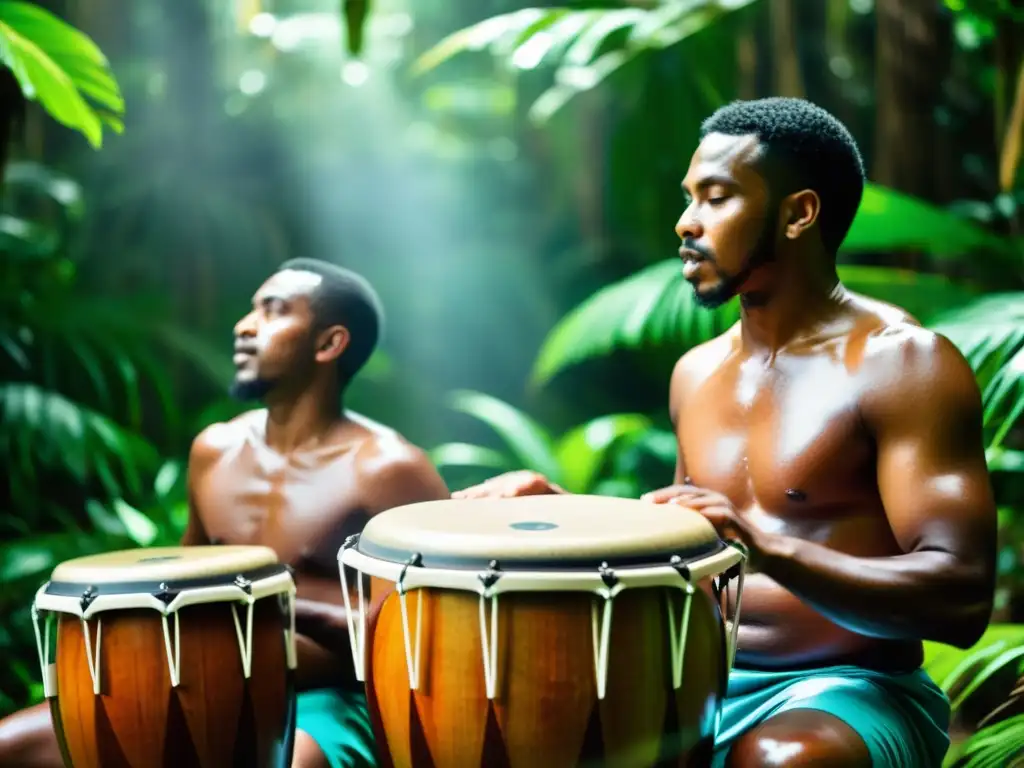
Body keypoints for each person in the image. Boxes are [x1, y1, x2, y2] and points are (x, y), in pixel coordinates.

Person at [453, 98, 997, 767]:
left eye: (717, 199)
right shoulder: (697, 373)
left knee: (777, 762)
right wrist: (561, 512)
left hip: (848, 691)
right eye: (689, 198)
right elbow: (689, 553)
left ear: (799, 214)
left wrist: (767, 550)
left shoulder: (902, 364)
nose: (686, 223)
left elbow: (961, 597)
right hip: (691, 683)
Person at [0, 258, 449, 768]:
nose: (244, 325)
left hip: (324, 700)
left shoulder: (387, 468)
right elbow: (183, 586)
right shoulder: (214, 451)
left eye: (274, 312)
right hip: (191, 687)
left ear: (329, 344)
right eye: (252, 309)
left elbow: (419, 639)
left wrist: (278, 607)